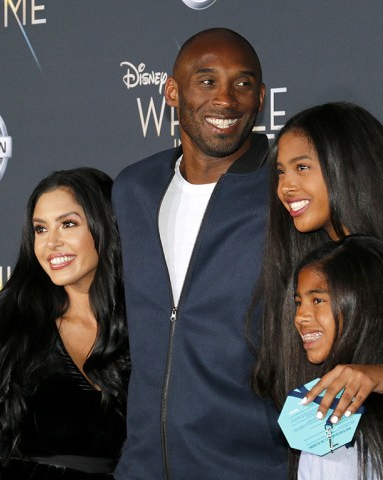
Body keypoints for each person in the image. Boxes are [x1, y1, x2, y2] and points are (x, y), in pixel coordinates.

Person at [112, 28, 287, 479]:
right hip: (143, 467)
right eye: (207, 81)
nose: (226, 100)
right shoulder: (134, 189)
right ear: (172, 91)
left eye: (243, 84)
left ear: (262, 97)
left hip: (251, 467)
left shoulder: (287, 192)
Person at [252, 102, 383, 477]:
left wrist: (376, 375)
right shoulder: (299, 271)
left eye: (302, 167)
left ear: (348, 166)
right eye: (280, 172)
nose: (285, 187)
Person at [0, 168, 129, 479]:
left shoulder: (148, 327)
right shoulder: (11, 325)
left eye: (68, 224)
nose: (51, 243)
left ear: (105, 226)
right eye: (40, 230)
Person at [292, 235, 383, 479]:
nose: (300, 317)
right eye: (298, 302)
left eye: (318, 300)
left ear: (360, 302)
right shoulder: (316, 410)